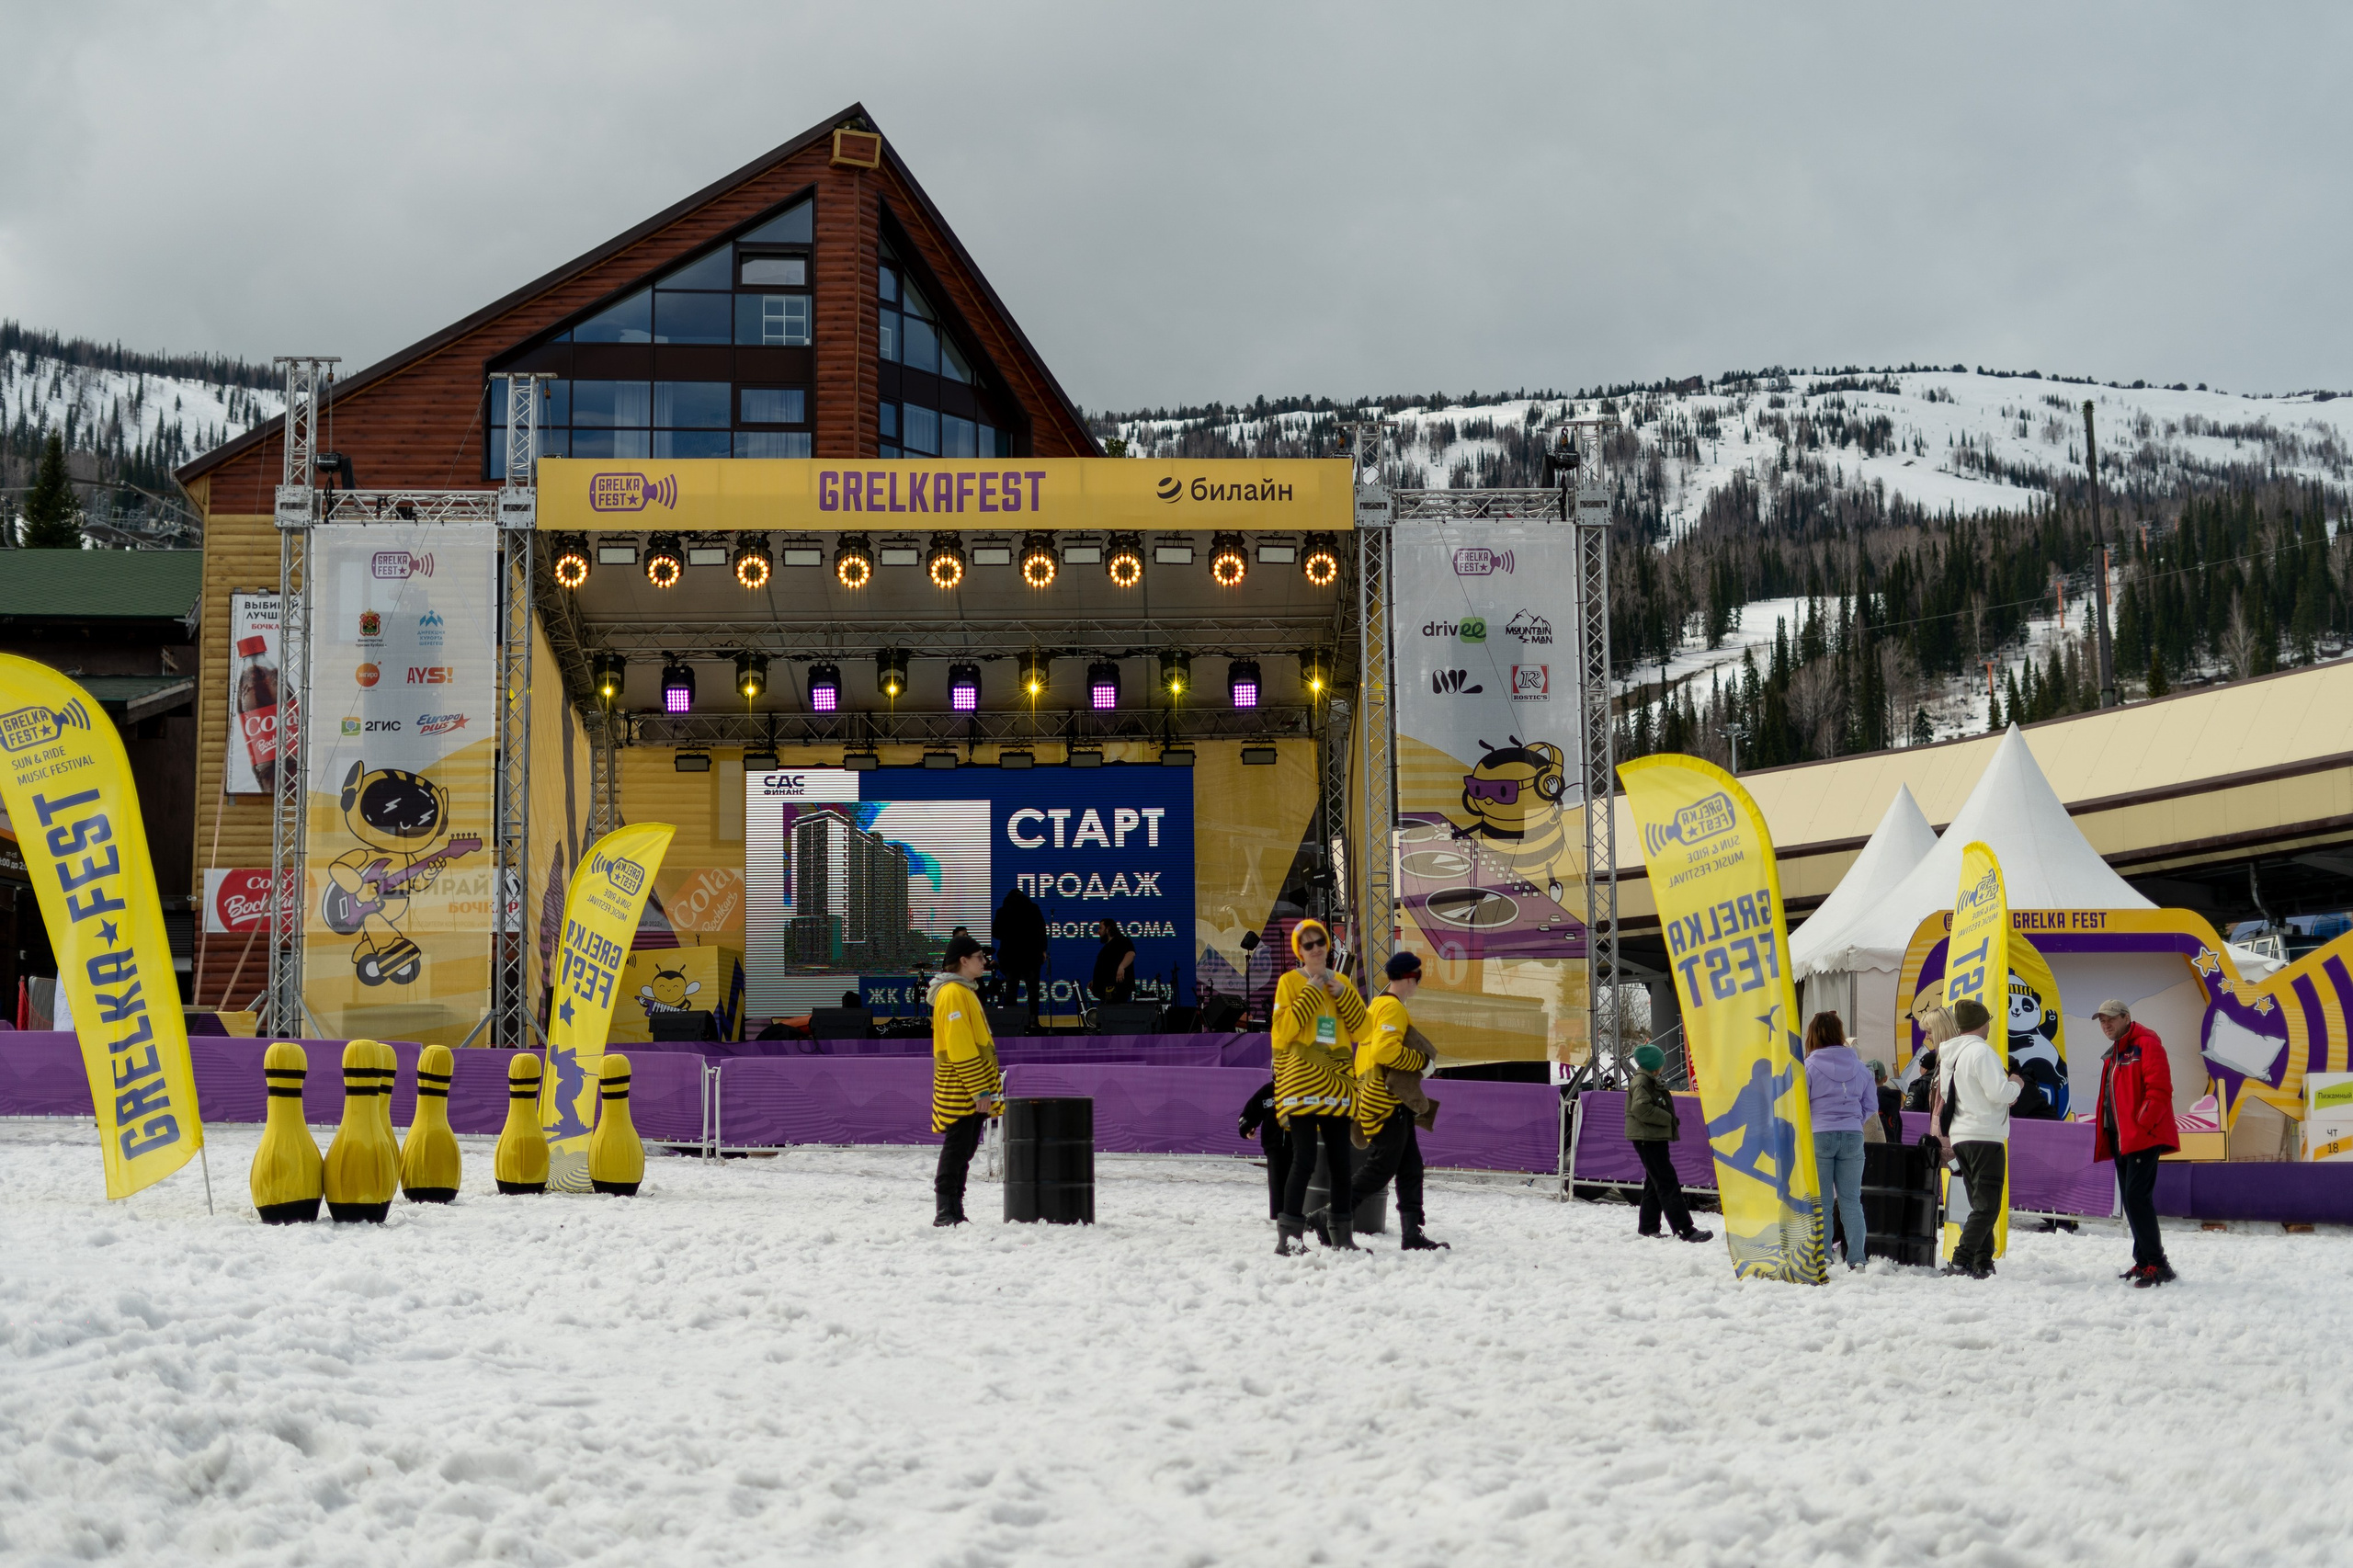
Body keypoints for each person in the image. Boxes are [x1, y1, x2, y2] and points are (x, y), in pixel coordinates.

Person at [1270, 918, 1366, 1254]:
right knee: (1305, 1159)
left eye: (1320, 942)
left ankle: (1342, 1236)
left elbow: (1363, 1032)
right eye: (1308, 945)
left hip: (1338, 1087)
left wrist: (1346, 997)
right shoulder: (1288, 983)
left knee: (1342, 1163)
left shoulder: (1342, 983)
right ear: (1299, 951)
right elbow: (1283, 1031)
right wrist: (1311, 991)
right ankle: (1290, 1239)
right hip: (1301, 1085)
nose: (1316, 949)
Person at [1345, 950, 1448, 1251]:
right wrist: (1421, 1062)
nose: (1418, 984)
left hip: (1376, 1097)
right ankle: (1331, 1214)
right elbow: (1384, 1051)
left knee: (1410, 1166)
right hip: (1386, 1100)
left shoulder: (1376, 1006)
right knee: (1382, 1167)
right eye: (1418, 977)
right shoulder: (1392, 1009)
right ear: (1407, 977)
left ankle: (1411, 1232)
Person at [2090, 998, 2177, 1287]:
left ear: (2126, 1017)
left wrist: (2141, 1123)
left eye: (2111, 1019)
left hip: (2140, 1136)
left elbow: (2160, 1089)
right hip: (2121, 1137)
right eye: (2102, 1021)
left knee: (2137, 1199)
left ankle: (2157, 1264)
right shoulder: (2116, 1051)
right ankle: (2144, 1261)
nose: (2106, 1025)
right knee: (2132, 1200)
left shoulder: (2146, 1045)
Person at [1937, 996, 2022, 1279]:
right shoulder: (1981, 1052)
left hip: (1962, 1136)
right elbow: (1999, 1093)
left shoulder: (1952, 1055)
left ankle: (1982, 1261)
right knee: (1987, 1207)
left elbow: (1949, 1096)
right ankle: (1961, 1261)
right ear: (1983, 1023)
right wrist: (2015, 1085)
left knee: (1978, 1204)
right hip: (1986, 1135)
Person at [927, 934, 1003, 1227]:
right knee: (958, 1148)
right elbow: (960, 1047)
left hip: (967, 1087)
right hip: (962, 1088)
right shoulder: (953, 994)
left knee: (964, 1150)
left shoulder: (963, 991)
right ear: (963, 961)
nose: (985, 962)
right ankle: (946, 1209)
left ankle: (954, 1208)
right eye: (980, 957)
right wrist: (979, 1090)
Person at [1802, 1012, 1880, 1270]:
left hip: (1819, 1135)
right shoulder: (1860, 1066)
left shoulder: (1809, 1066)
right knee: (1851, 1200)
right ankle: (1856, 1258)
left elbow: (1801, 1103)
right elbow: (1871, 1104)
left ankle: (1823, 1255)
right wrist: (1854, 1120)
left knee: (1822, 1201)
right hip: (1852, 1136)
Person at [1624, 1043, 1712, 1244]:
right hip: (1648, 1138)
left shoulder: (1647, 1080)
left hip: (1651, 1138)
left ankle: (1648, 1227)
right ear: (1656, 1065)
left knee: (1654, 1183)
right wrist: (1666, 1118)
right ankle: (1685, 1229)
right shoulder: (1643, 1082)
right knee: (1667, 1181)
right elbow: (1640, 1108)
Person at [995, 886, 1049, 1026]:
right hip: (1031, 957)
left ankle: (1011, 1021)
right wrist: (1043, 950)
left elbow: (996, 933)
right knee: (1033, 990)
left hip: (1010, 957)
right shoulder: (1033, 909)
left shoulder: (1002, 911)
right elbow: (1041, 931)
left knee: (1011, 989)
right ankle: (1033, 1019)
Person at [1237, 1080, 1287, 1221]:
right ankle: (1279, 1218)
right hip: (1274, 1144)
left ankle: (1297, 1214)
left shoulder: (1304, 1086)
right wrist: (1247, 1127)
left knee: (1298, 1179)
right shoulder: (1268, 1090)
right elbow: (1250, 1113)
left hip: (1301, 1143)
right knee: (1277, 1179)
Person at [1091, 918, 1137, 1006]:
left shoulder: (1122, 940)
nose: (1098, 931)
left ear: (1108, 929)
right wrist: (1097, 981)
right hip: (1107, 992)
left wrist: (1121, 967)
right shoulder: (1107, 946)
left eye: (1100, 928)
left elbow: (1131, 954)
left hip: (1117, 989)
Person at [1867, 1058, 1904, 1144]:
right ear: (1885, 1078)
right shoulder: (1893, 1100)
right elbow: (1898, 1132)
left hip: (1869, 1152)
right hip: (1892, 1151)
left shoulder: (1863, 1101)